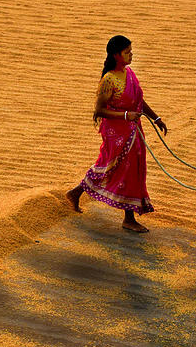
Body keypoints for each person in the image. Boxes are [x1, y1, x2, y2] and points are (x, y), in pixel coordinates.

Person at [66, 35, 168, 232]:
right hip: (117, 133)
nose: (131, 54)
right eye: (127, 52)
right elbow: (99, 111)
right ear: (116, 55)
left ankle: (77, 193)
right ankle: (127, 219)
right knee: (110, 168)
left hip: (134, 132)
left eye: (131, 50)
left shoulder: (129, 74)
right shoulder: (109, 80)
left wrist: (156, 118)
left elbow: (139, 102)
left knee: (133, 171)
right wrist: (126, 116)